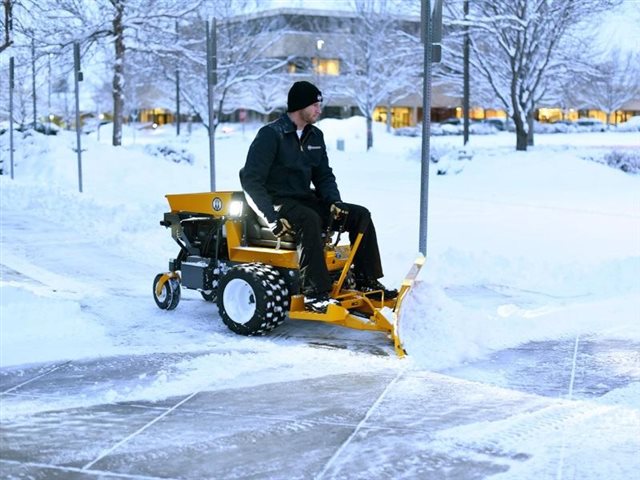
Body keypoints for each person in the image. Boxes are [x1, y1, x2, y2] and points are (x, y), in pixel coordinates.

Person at [240, 80, 396, 312]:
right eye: (315, 105)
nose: (319, 110)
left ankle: (366, 279)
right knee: (309, 218)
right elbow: (250, 179)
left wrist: (334, 202)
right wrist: (271, 218)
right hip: (278, 202)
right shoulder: (271, 135)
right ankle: (316, 293)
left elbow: (323, 175)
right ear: (300, 106)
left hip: (305, 198)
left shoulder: (315, 136)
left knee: (359, 215)